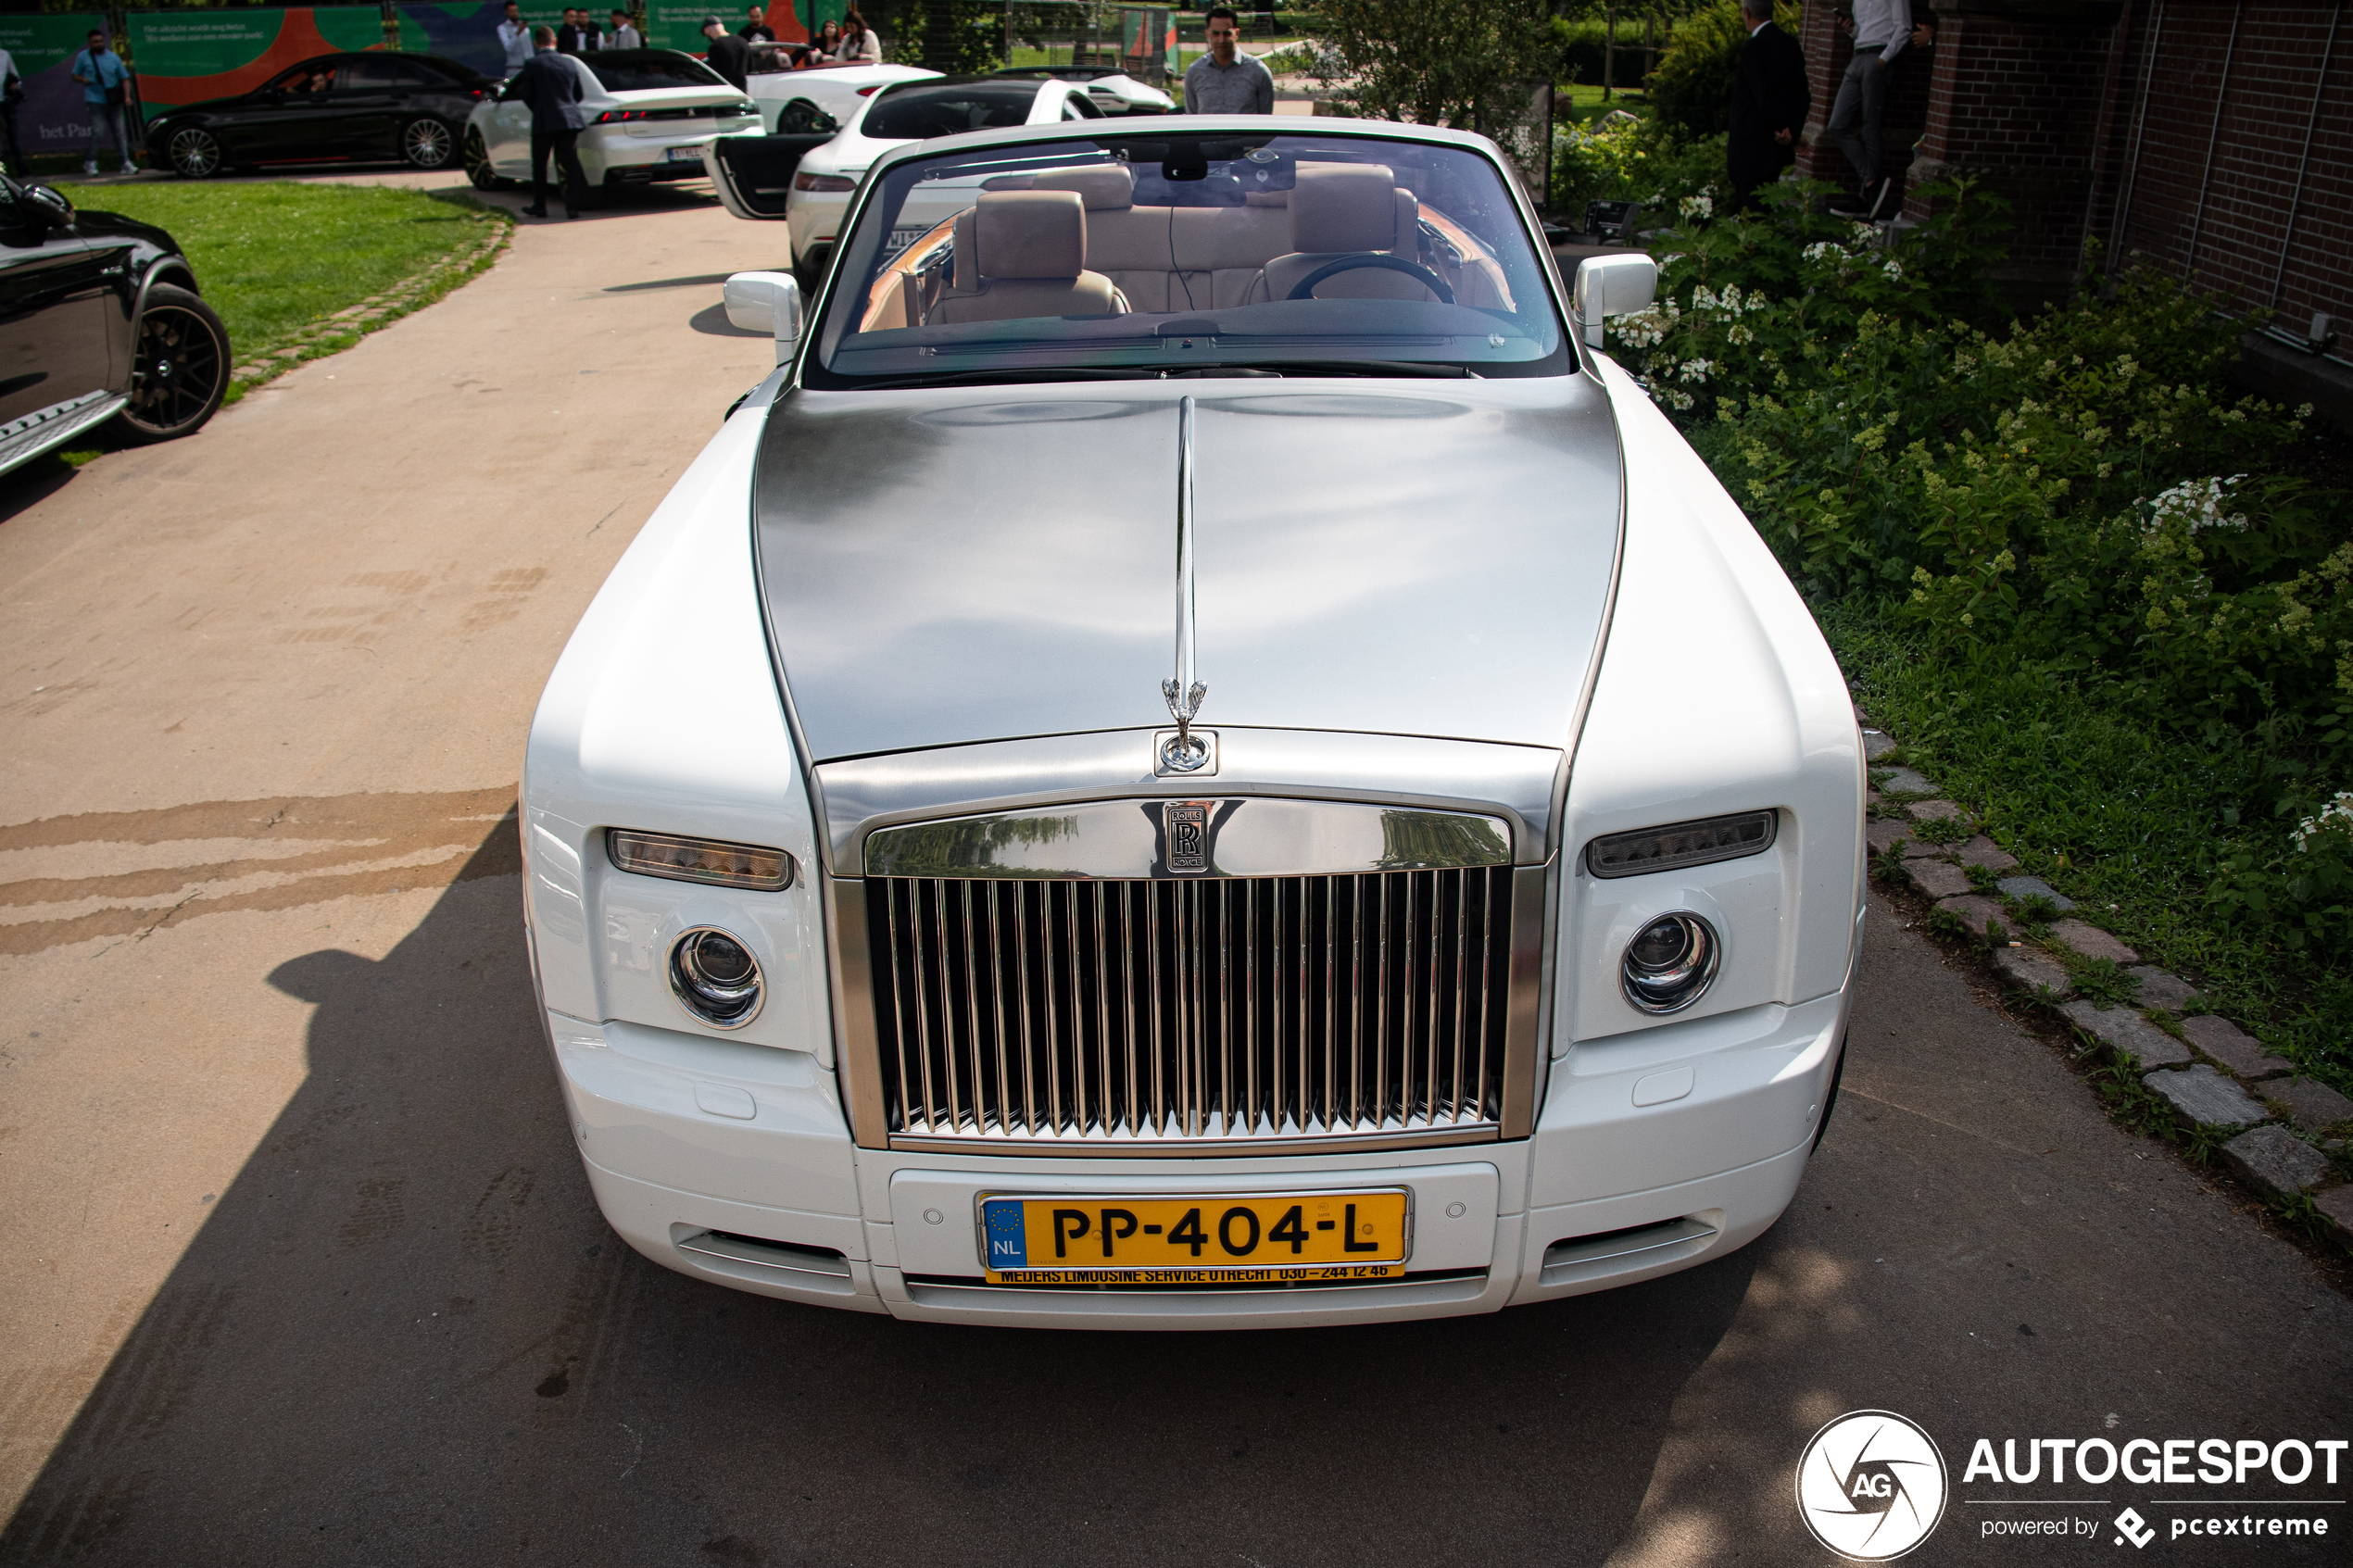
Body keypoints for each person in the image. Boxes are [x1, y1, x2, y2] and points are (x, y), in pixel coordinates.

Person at [1825, 1, 1934, 219]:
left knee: (1869, 128)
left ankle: (1866, 197)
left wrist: (1884, 58)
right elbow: (1863, 31)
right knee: (1836, 124)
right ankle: (1870, 178)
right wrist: (1851, 30)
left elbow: (1903, 27)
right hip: (1858, 55)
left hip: (1878, 57)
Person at [1726, 0, 1808, 215]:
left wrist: (1779, 128)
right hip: (1777, 146)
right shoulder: (1791, 43)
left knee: (1750, 210)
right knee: (1766, 206)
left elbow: (1761, 96)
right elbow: (1802, 95)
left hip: (1753, 141)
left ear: (1746, 13)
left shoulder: (1753, 47)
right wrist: (1791, 131)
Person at [511, 28, 591, 219]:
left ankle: (540, 206)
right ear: (554, 41)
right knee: (570, 164)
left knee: (540, 164)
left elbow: (525, 93)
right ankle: (573, 207)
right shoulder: (569, 63)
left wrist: (538, 108)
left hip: (544, 120)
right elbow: (578, 94)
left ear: (537, 43)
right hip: (569, 119)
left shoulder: (533, 64)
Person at [1181, 6, 1272, 114]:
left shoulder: (1258, 72)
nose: (1221, 40)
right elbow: (1192, 121)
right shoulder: (1194, 72)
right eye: (1215, 33)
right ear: (1207, 34)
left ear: (1237, 34)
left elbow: (1265, 121)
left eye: (1227, 33)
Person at [69, 29, 131, 178]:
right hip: (94, 100)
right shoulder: (83, 57)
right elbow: (74, 75)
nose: (99, 44)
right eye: (95, 42)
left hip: (113, 100)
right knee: (97, 131)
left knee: (120, 132)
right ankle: (90, 161)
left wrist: (127, 96)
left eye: (101, 41)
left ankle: (125, 162)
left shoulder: (113, 57)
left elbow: (124, 78)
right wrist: (84, 80)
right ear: (90, 43)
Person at [702, 16, 753, 87]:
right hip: (742, 90)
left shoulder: (715, 46)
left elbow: (713, 74)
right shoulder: (743, 41)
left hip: (725, 90)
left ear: (708, 30)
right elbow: (750, 68)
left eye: (707, 34)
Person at [0, 44, 22, 179]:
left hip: (6, 102)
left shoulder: (5, 55)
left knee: (12, 135)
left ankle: (20, 169)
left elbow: (17, 78)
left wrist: (14, 86)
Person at [497, 0, 534, 75]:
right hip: (514, 68)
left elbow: (529, 48)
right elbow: (508, 48)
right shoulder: (502, 28)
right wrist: (518, 32)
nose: (514, 13)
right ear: (506, 12)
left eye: (516, 11)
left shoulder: (524, 27)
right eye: (511, 11)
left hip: (528, 68)